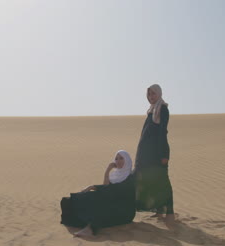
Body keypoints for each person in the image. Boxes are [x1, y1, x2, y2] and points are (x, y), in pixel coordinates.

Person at [60, 150, 136, 237]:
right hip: (112, 203)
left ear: (127, 160)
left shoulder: (130, 178)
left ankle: (90, 229)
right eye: (116, 159)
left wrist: (93, 187)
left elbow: (114, 191)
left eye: (121, 158)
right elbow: (106, 186)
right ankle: (79, 222)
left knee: (99, 202)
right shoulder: (115, 175)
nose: (118, 161)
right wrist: (108, 170)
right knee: (73, 200)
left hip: (124, 212)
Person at [134, 84, 175, 223]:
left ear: (159, 94)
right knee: (151, 180)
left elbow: (162, 132)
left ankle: (170, 213)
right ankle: (159, 210)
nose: (151, 97)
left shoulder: (162, 109)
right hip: (146, 155)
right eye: (149, 95)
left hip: (157, 154)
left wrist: (164, 155)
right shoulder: (151, 111)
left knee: (163, 181)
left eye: (153, 94)